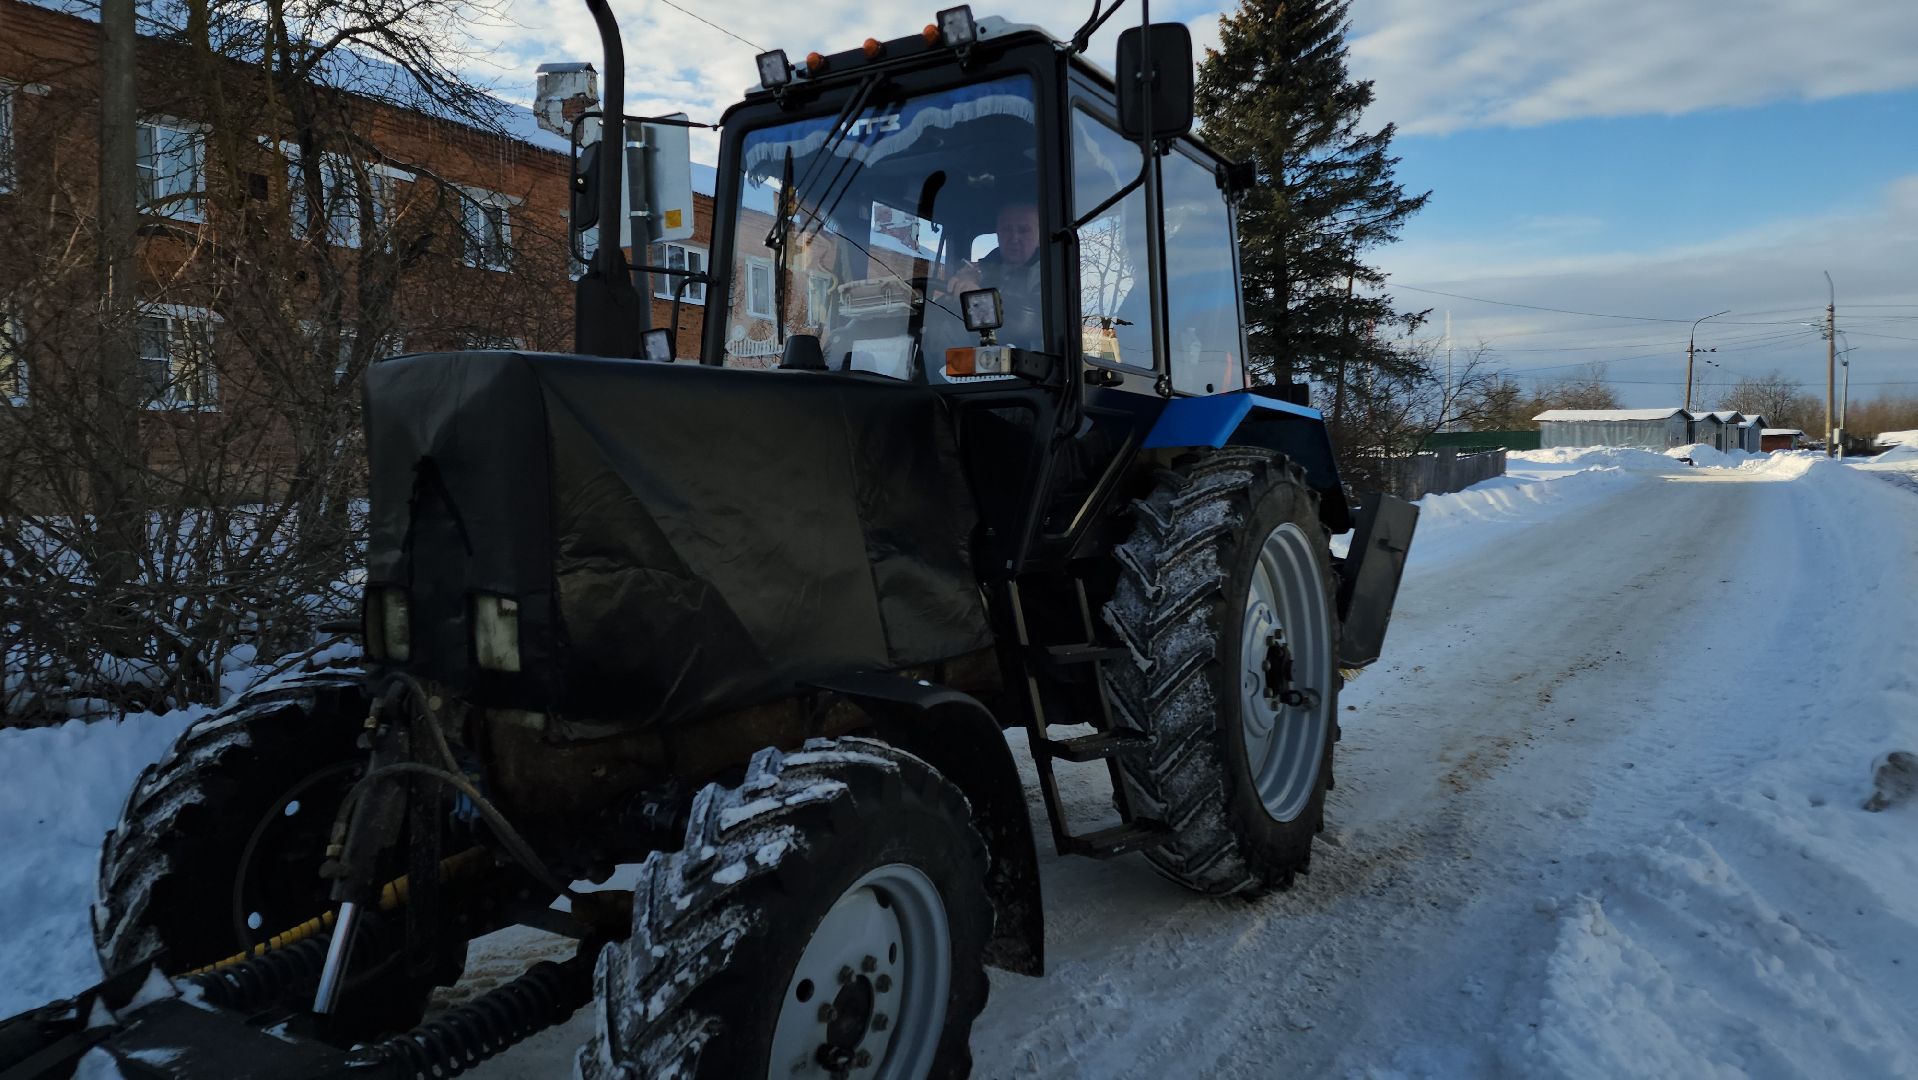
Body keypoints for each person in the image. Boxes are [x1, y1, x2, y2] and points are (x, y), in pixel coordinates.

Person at [944, 199, 1043, 347]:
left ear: (1039, 238)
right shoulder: (981, 269)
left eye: (1023, 230)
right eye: (1006, 229)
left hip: (1027, 361)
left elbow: (1026, 325)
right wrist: (955, 289)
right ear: (997, 232)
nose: (1014, 238)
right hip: (969, 357)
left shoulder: (1049, 273)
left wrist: (976, 300)